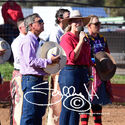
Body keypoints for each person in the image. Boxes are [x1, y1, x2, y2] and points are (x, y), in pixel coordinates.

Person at [19, 13, 60, 125]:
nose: (43, 23)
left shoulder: (38, 40)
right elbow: (30, 61)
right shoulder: (28, 40)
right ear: (31, 25)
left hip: (39, 79)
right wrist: (50, 61)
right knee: (30, 114)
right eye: (40, 21)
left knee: (38, 113)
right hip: (32, 79)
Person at [58, 10, 92, 125]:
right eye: (75, 21)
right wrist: (81, 41)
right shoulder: (66, 38)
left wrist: (90, 77)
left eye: (80, 21)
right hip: (70, 72)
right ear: (70, 23)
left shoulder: (85, 39)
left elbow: (87, 60)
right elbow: (72, 57)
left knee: (77, 107)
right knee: (67, 106)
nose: (78, 23)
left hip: (82, 73)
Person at [80, 15, 112, 125]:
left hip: (101, 75)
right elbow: (84, 55)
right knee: (86, 102)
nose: (98, 26)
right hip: (88, 74)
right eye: (96, 24)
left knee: (97, 102)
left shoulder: (103, 39)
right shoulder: (86, 39)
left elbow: (108, 54)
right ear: (89, 26)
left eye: (99, 24)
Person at [46, 8, 70, 125]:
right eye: (67, 17)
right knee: (56, 100)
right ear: (60, 19)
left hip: (62, 69)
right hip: (57, 70)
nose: (70, 19)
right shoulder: (56, 32)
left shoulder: (64, 31)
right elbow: (54, 53)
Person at [10, 18, 27, 125]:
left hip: (25, 73)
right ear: (20, 28)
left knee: (24, 104)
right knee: (19, 103)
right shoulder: (17, 42)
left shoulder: (29, 39)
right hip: (20, 73)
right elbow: (19, 60)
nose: (29, 27)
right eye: (26, 25)